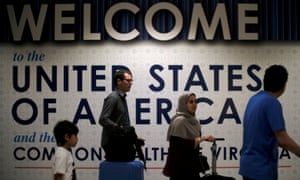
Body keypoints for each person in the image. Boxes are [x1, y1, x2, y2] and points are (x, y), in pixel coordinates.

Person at [239, 65, 300, 180]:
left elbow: (266, 135)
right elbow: (282, 139)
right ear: (283, 85)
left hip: (247, 167)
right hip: (261, 169)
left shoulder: (254, 99)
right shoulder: (272, 103)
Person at [163, 93, 215, 180]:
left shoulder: (195, 121)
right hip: (180, 168)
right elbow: (179, 145)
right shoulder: (180, 121)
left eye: (195, 101)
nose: (194, 104)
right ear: (183, 104)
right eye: (191, 102)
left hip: (191, 166)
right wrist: (203, 139)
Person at [99, 69, 144, 162]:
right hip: (113, 142)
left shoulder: (122, 98)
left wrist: (132, 137)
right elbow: (103, 119)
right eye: (128, 80)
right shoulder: (113, 98)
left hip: (120, 140)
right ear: (119, 81)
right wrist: (118, 128)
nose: (131, 83)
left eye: (131, 81)